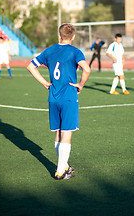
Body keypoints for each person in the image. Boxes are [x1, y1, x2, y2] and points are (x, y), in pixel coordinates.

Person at [27, 24, 90, 180]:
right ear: (73, 36)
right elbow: (87, 69)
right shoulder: (75, 51)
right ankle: (60, 171)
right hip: (69, 97)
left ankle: (64, 165)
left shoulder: (49, 50)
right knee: (67, 133)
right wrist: (81, 85)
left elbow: (31, 66)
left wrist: (44, 83)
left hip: (53, 97)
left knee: (58, 132)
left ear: (59, 35)